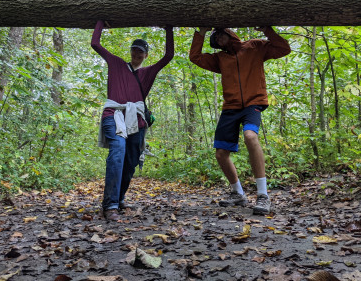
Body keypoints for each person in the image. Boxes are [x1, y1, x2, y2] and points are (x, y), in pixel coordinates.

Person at [189, 26, 291, 215]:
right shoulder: (219, 59)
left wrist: (267, 29)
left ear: (230, 33)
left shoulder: (254, 47)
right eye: (215, 37)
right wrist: (201, 33)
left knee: (250, 136)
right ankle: (238, 194)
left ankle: (263, 195)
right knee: (221, 154)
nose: (219, 38)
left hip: (253, 103)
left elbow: (284, 49)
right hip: (230, 107)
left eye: (221, 34)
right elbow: (195, 57)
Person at [91, 20, 174, 221]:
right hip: (113, 114)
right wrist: (101, 23)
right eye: (134, 50)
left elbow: (168, 56)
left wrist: (169, 28)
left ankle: (118, 199)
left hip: (137, 120)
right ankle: (109, 205)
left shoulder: (148, 73)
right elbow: (95, 44)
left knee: (130, 162)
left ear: (146, 55)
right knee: (118, 150)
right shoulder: (116, 64)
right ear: (130, 51)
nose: (137, 55)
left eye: (141, 52)